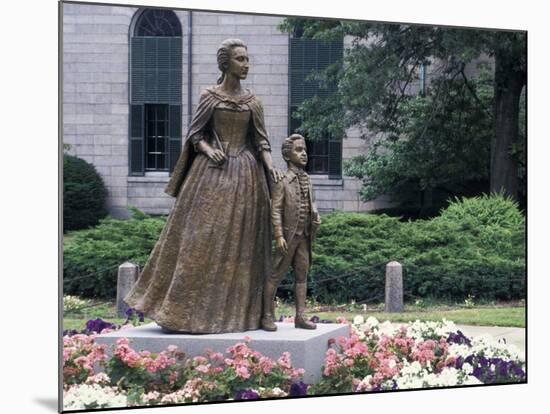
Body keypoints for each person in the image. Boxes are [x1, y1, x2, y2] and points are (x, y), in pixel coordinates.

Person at [124, 38, 283, 334]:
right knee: (199, 239)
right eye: (240, 59)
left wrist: (270, 166)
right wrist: (209, 150)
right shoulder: (209, 96)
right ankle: (180, 310)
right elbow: (195, 134)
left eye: (247, 59)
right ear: (226, 63)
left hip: (246, 176)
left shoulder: (253, 102)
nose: (245, 64)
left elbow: (261, 140)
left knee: (242, 244)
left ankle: (238, 314)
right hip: (211, 175)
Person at [261, 134, 321, 331]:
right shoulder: (282, 181)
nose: (303, 153)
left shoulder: (308, 180)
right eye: (298, 150)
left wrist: (315, 216)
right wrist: (278, 235)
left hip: (304, 237)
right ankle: (267, 315)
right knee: (275, 275)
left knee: (302, 275)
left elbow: (311, 203)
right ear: (287, 155)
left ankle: (300, 316)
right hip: (287, 237)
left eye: (304, 150)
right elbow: (275, 209)